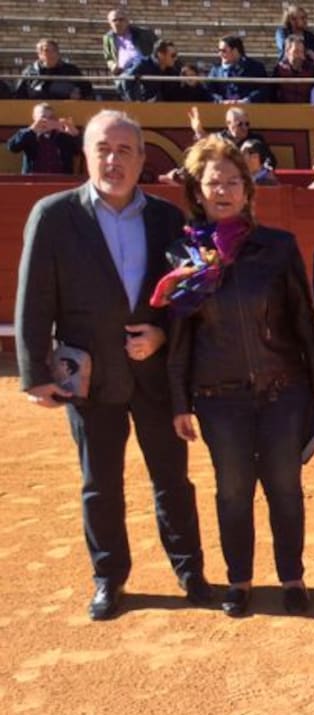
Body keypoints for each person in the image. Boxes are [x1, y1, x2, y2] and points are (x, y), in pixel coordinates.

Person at [15, 109, 208, 621]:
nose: (113, 159)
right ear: (86, 153)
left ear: (142, 159)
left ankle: (190, 572)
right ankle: (109, 577)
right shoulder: (53, 214)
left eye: (125, 150)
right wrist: (35, 373)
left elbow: (185, 298)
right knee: (99, 483)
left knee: (172, 479)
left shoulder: (167, 217)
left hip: (153, 373)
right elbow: (34, 297)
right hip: (88, 376)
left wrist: (163, 333)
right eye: (103, 148)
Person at [165, 136, 314, 618]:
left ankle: (292, 576)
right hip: (218, 396)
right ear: (196, 190)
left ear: (248, 189)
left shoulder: (277, 246)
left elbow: (303, 319)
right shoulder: (183, 254)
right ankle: (240, 580)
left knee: (284, 486)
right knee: (233, 490)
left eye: (234, 181)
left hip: (282, 390)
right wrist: (178, 400)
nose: (224, 190)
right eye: (214, 182)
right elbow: (179, 336)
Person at [189, 106, 277, 170]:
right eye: (240, 124)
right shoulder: (219, 139)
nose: (244, 128)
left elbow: (271, 160)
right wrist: (198, 130)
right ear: (229, 124)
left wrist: (265, 168)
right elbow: (204, 150)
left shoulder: (256, 139)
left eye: (247, 124)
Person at [6, 103, 80, 174]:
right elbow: (12, 147)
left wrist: (75, 134)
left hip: (61, 182)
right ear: (34, 118)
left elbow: (80, 151)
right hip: (34, 181)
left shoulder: (63, 136)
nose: (47, 120)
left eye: (51, 118)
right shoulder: (28, 134)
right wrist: (32, 130)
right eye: (43, 117)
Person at [15, 38, 94, 101]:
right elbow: (19, 93)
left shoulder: (71, 70)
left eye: (53, 50)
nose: (49, 54)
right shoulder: (29, 71)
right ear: (39, 54)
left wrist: (79, 93)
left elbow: (87, 89)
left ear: (57, 52)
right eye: (45, 51)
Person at [208, 35, 270, 104]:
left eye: (223, 51)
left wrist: (247, 100)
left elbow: (263, 89)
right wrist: (220, 101)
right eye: (219, 51)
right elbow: (209, 91)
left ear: (235, 51)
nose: (220, 54)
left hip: (250, 110)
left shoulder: (255, 67)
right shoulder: (216, 69)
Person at [124, 39, 188, 103]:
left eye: (176, 55)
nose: (175, 58)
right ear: (160, 54)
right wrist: (136, 102)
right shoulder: (143, 65)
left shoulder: (175, 68)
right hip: (147, 107)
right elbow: (127, 80)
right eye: (173, 55)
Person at [102, 8, 156, 76]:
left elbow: (158, 48)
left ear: (127, 21)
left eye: (121, 19)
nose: (118, 23)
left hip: (144, 70)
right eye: (114, 20)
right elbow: (108, 57)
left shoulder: (143, 33)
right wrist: (113, 66)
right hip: (123, 71)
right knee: (126, 78)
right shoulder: (108, 38)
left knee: (138, 65)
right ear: (110, 23)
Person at [273, 34, 314, 103]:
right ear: (287, 52)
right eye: (296, 52)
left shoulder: (311, 69)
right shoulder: (279, 69)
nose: (299, 56)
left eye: (301, 52)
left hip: (306, 110)